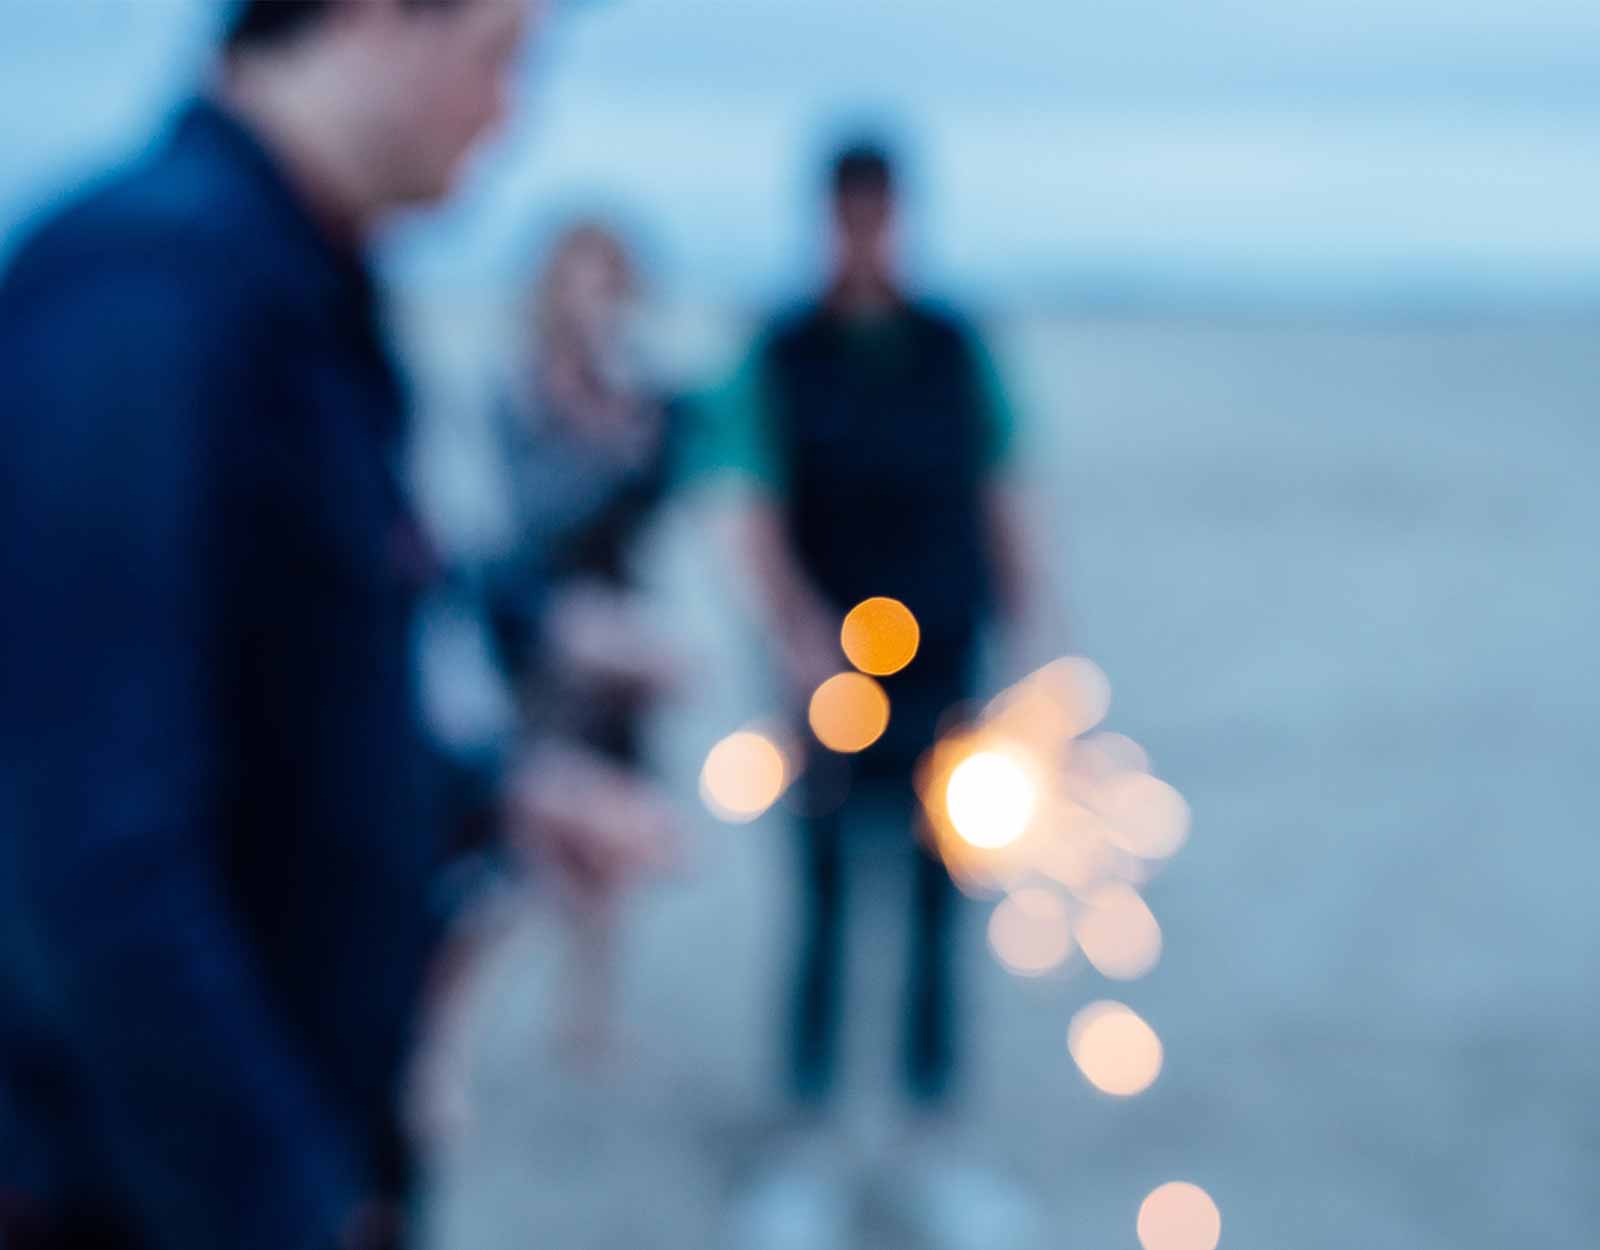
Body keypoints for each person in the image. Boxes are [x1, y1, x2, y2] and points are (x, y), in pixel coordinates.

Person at [0, 4, 662, 1248]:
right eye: (498, 56)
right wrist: (285, 1202)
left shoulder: (314, 301)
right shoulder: (143, 295)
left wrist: (486, 797)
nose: (509, 111)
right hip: (138, 1194)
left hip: (316, 1131)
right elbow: (87, 840)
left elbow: (293, 701)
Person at [710, 140, 1041, 1250]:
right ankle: (804, 1144)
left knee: (942, 903)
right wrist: (796, 629)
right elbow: (749, 498)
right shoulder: (782, 348)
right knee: (823, 899)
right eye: (847, 216)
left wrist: (1033, 632)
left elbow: (1004, 480)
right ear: (825, 219)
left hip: (950, 660)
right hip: (823, 677)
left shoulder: (954, 344)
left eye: (879, 215)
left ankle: (928, 1134)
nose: (863, 235)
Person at [479, 221, 686, 1058]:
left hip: (624, 636)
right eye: (578, 279)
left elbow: (663, 500)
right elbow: (527, 512)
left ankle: (587, 1014)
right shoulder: (521, 394)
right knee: (520, 818)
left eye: (608, 282)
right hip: (536, 635)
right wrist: (612, 453)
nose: (592, 300)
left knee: (616, 816)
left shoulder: (633, 394)